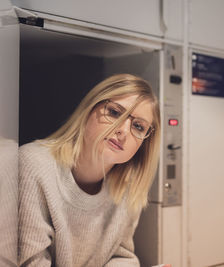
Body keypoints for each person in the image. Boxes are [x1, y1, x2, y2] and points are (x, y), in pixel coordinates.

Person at [18, 74, 169, 267]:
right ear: (89, 108)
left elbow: (120, 256)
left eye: (138, 126)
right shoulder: (34, 165)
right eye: (114, 112)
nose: (122, 130)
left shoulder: (129, 186)